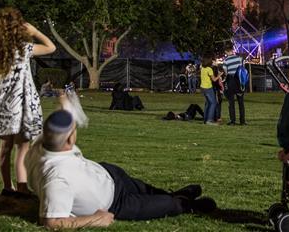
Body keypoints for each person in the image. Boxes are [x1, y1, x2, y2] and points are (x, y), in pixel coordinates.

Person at [25, 93, 215, 226]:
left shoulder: (43, 143)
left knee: (148, 190)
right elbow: (52, 222)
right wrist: (95, 219)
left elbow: (60, 121)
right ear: (68, 140)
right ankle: (188, 205)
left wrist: (64, 103)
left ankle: (172, 194)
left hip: (109, 174)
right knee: (168, 206)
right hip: (116, 203)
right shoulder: (57, 179)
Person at [0, 7, 57, 198]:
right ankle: (22, 188)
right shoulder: (24, 49)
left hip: (3, 105)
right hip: (23, 103)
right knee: (23, 148)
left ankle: (7, 187)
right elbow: (51, 47)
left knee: (5, 148)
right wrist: (35, 32)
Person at [222, 51, 246, 125]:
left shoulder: (226, 60)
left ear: (226, 51)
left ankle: (233, 121)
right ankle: (242, 121)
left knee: (231, 102)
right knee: (241, 102)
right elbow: (243, 69)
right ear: (232, 50)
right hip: (239, 81)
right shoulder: (239, 59)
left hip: (230, 81)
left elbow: (225, 72)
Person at [199, 56, 221, 125]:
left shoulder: (202, 68)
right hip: (208, 88)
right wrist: (219, 75)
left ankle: (205, 119)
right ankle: (209, 120)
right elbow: (214, 79)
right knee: (213, 103)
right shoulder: (209, 69)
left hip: (202, 88)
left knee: (208, 103)